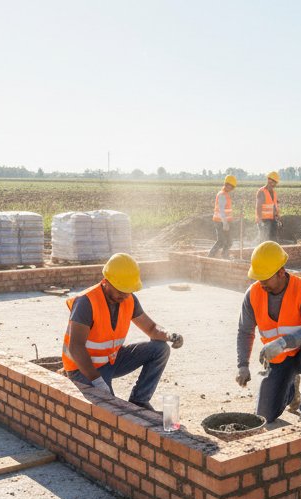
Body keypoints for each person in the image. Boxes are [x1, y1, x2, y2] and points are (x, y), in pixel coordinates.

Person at [61, 252, 183, 411]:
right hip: (83, 369)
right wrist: (98, 382)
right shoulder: (86, 301)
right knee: (113, 411)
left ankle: (139, 401)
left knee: (160, 349)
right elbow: (75, 347)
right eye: (121, 290)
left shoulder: (129, 299)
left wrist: (170, 334)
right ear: (106, 281)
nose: (125, 295)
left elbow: (152, 329)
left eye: (128, 290)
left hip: (110, 360)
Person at [235, 241, 301, 423]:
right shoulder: (252, 294)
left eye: (265, 278)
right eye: (258, 278)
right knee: (264, 416)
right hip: (278, 360)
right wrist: (242, 365)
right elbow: (245, 331)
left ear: (281, 272)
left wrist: (283, 342)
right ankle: (290, 390)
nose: (261, 283)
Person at [209, 175, 237, 258]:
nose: (232, 189)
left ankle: (224, 255)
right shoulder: (222, 195)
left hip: (223, 221)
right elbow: (221, 209)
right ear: (227, 185)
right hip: (221, 222)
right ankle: (211, 256)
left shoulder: (224, 194)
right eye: (231, 187)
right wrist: (225, 223)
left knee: (228, 241)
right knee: (222, 241)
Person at [255, 171, 280, 242]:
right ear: (269, 180)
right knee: (264, 240)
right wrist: (260, 221)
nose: (274, 184)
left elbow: (274, 205)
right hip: (264, 221)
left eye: (275, 183)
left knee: (272, 240)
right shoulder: (262, 192)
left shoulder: (273, 192)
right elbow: (258, 207)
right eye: (273, 182)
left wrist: (277, 217)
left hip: (272, 220)